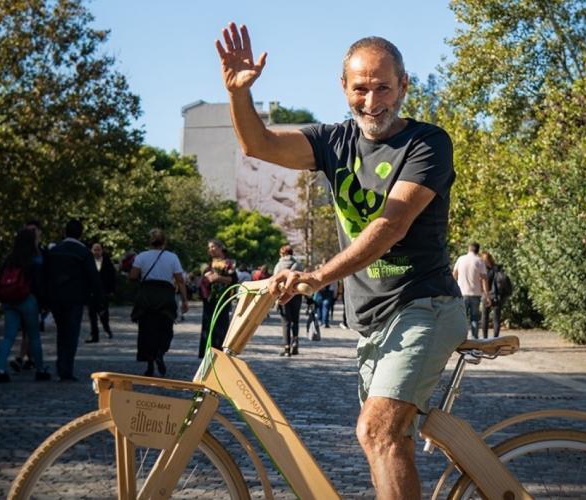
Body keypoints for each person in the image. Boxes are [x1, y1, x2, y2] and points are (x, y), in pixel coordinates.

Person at [216, 24, 464, 498]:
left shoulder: (428, 143)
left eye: (383, 87)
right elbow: (258, 144)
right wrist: (239, 93)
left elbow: (391, 225)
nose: (372, 101)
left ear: (403, 86)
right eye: (360, 88)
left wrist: (317, 276)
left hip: (424, 307)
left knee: (376, 431)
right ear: (343, 87)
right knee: (388, 443)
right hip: (370, 321)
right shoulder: (333, 142)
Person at [45, 219, 103, 381]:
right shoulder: (83, 252)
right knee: (71, 333)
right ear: (81, 233)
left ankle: (61, 364)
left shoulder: (55, 250)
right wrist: (98, 300)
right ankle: (66, 368)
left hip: (56, 297)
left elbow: (46, 275)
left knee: (61, 331)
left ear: (65, 232)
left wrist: (45, 298)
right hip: (75, 298)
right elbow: (93, 277)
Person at [0, 229, 51, 382]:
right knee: (34, 336)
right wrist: (44, 303)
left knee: (8, 336)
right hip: (27, 300)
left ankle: (0, 369)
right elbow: (39, 283)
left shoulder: (9, 259)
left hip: (9, 300)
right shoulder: (35, 259)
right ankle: (40, 369)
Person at [130, 229, 188, 377]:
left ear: (150, 242)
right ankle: (160, 353)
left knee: (146, 330)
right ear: (164, 242)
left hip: (147, 296)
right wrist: (184, 301)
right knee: (166, 328)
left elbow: (133, 276)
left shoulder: (141, 256)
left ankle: (150, 364)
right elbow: (180, 280)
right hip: (165, 296)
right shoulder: (172, 257)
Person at [198, 239, 237, 358]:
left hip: (223, 299)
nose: (210, 249)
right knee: (208, 325)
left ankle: (220, 353)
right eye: (209, 247)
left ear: (220, 248)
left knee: (221, 325)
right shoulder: (208, 264)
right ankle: (207, 353)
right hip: (209, 299)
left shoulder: (229, 263)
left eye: (213, 246)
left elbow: (232, 280)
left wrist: (218, 278)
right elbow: (204, 280)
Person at [453, 242, 489, 339]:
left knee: (461, 317)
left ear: (469, 249)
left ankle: (460, 338)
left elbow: (454, 275)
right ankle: (474, 338)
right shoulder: (479, 261)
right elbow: (484, 278)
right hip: (475, 293)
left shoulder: (461, 259)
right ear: (478, 250)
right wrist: (486, 295)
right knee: (474, 318)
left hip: (462, 293)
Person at [273, 245, 304, 356]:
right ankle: (295, 343)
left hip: (283, 295)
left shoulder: (279, 265)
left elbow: (274, 280)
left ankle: (286, 347)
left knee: (285, 322)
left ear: (282, 254)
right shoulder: (298, 264)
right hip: (296, 294)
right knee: (295, 320)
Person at [85, 242, 116, 343]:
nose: (97, 252)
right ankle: (94, 336)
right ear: (91, 250)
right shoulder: (88, 261)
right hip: (91, 292)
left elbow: (112, 276)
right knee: (92, 314)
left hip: (104, 291)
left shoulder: (106, 261)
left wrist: (111, 290)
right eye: (95, 250)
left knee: (103, 313)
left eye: (98, 250)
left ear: (102, 251)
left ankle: (107, 329)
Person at [480, 251, 503, 339]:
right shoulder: (498, 268)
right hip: (497, 295)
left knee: (485, 317)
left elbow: (482, 283)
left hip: (486, 295)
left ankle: (485, 338)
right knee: (496, 318)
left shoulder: (483, 270)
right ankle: (495, 337)